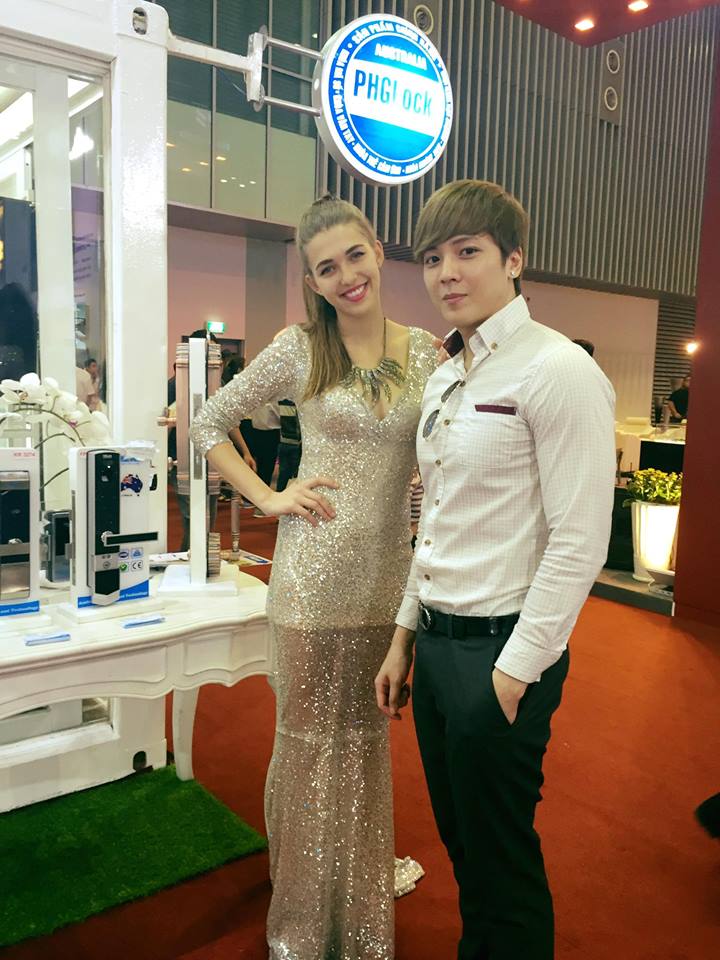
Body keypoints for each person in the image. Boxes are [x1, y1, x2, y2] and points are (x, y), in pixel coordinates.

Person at [190, 195, 437, 960]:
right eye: (327, 268)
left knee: (363, 744)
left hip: (387, 583)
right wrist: (266, 496)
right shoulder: (299, 349)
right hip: (309, 582)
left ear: (378, 251)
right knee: (304, 746)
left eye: (355, 256)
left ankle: (359, 913)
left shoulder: (429, 353)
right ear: (313, 281)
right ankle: (299, 926)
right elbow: (206, 422)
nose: (346, 276)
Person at [375, 179, 616, 960]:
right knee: (465, 848)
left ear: (514, 260)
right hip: (437, 646)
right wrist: (404, 637)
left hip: (500, 653)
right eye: (432, 257)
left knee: (501, 860)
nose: (446, 272)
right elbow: (436, 521)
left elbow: (581, 539)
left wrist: (512, 676)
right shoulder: (448, 375)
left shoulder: (557, 369)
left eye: (468, 252)